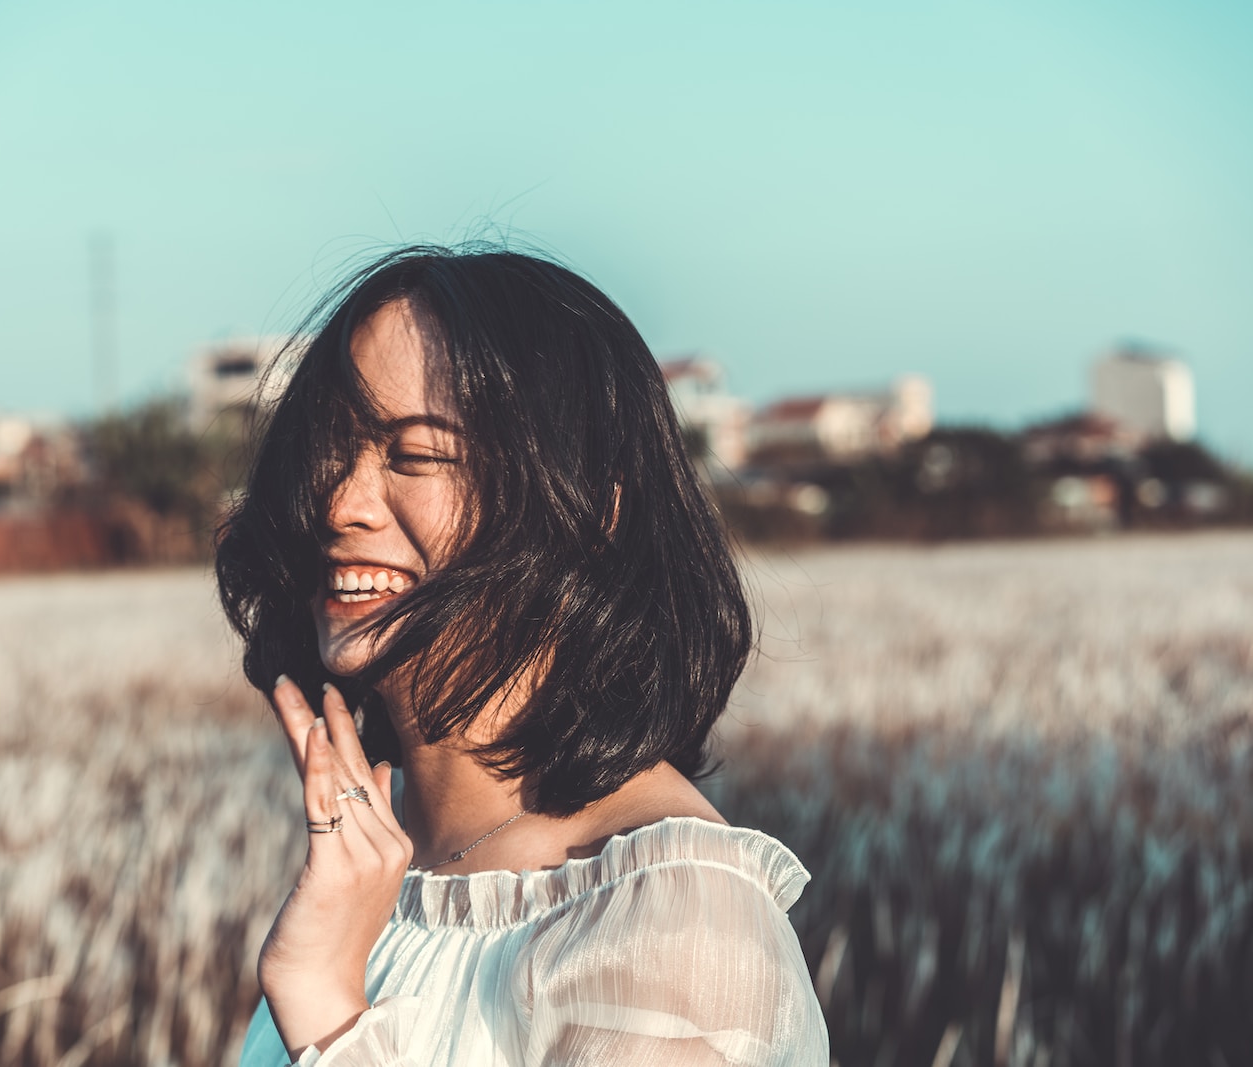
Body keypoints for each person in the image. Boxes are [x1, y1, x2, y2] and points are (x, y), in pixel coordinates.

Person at [216, 246, 829, 1065]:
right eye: (330, 452)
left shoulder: (675, 921)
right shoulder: (374, 871)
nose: (338, 502)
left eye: (417, 452)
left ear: (590, 509)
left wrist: (329, 1007)